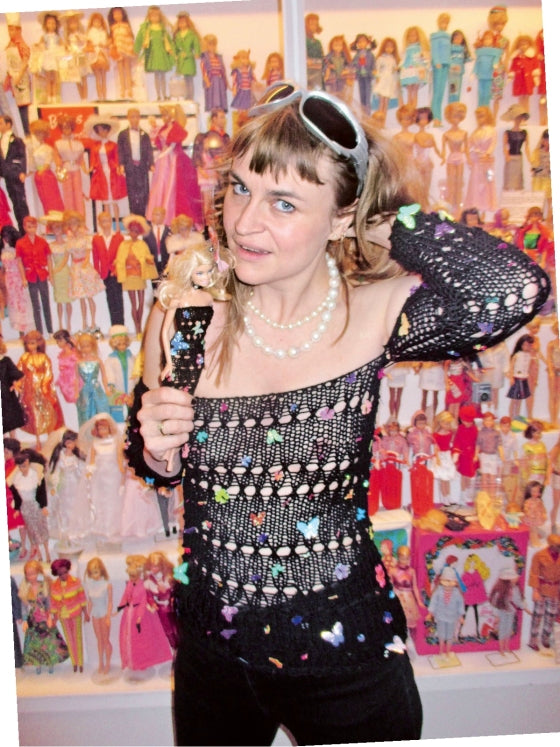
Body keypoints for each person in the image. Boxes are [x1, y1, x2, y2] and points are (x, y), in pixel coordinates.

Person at [126, 82, 549, 745]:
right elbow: (158, 464)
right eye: (239, 188)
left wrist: (380, 218)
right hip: (215, 656)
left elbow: (512, 290)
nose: (244, 222)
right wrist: (157, 450)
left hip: (348, 659)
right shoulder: (190, 311)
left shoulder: (375, 310)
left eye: (284, 202)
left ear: (342, 217)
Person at [49, 557, 89, 673]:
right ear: (56, 574)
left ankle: (80, 663)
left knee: (78, 638)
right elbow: (53, 603)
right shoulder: (54, 586)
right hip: (63, 616)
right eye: (60, 574)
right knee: (69, 639)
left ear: (68, 570)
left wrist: (85, 613)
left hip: (75, 613)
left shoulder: (76, 582)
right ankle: (74, 663)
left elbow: (82, 598)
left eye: (65, 572)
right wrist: (54, 618)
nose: (63, 575)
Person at [117, 108, 154, 217]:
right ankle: (133, 218)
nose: (135, 119)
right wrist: (121, 164)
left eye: (137, 116)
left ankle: (143, 217)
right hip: (130, 167)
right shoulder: (123, 135)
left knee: (144, 193)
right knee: (132, 194)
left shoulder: (144, 134)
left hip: (142, 168)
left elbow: (149, 150)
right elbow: (120, 151)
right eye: (132, 117)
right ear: (128, 118)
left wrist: (151, 163)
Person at [527, 532, 560, 652]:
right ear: (551, 545)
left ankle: (545, 639)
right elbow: (534, 574)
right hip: (542, 589)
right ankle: (533, 641)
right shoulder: (539, 555)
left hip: (555, 590)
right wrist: (535, 590)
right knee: (537, 617)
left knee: (551, 616)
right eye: (556, 546)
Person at [0, 114, 30, 234]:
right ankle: (20, 232)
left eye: (1, 123)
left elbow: (22, 156)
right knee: (14, 203)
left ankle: (26, 231)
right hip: (6, 175)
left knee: (20, 204)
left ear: (8, 125)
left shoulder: (17, 140)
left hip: (15, 174)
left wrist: (22, 171)